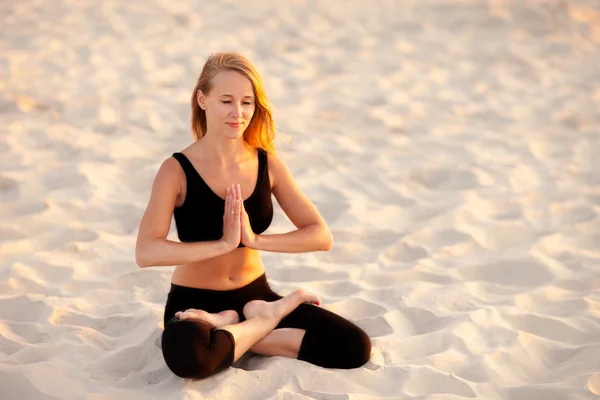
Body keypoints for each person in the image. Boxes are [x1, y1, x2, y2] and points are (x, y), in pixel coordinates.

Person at [135, 52, 371, 380]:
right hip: (195, 300)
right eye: (227, 101)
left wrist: (255, 240)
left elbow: (320, 234)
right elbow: (146, 251)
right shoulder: (176, 170)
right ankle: (262, 323)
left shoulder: (266, 163)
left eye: (247, 102)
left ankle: (240, 325)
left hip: (254, 295)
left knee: (354, 346)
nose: (238, 113)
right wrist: (222, 244)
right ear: (202, 99)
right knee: (191, 360)